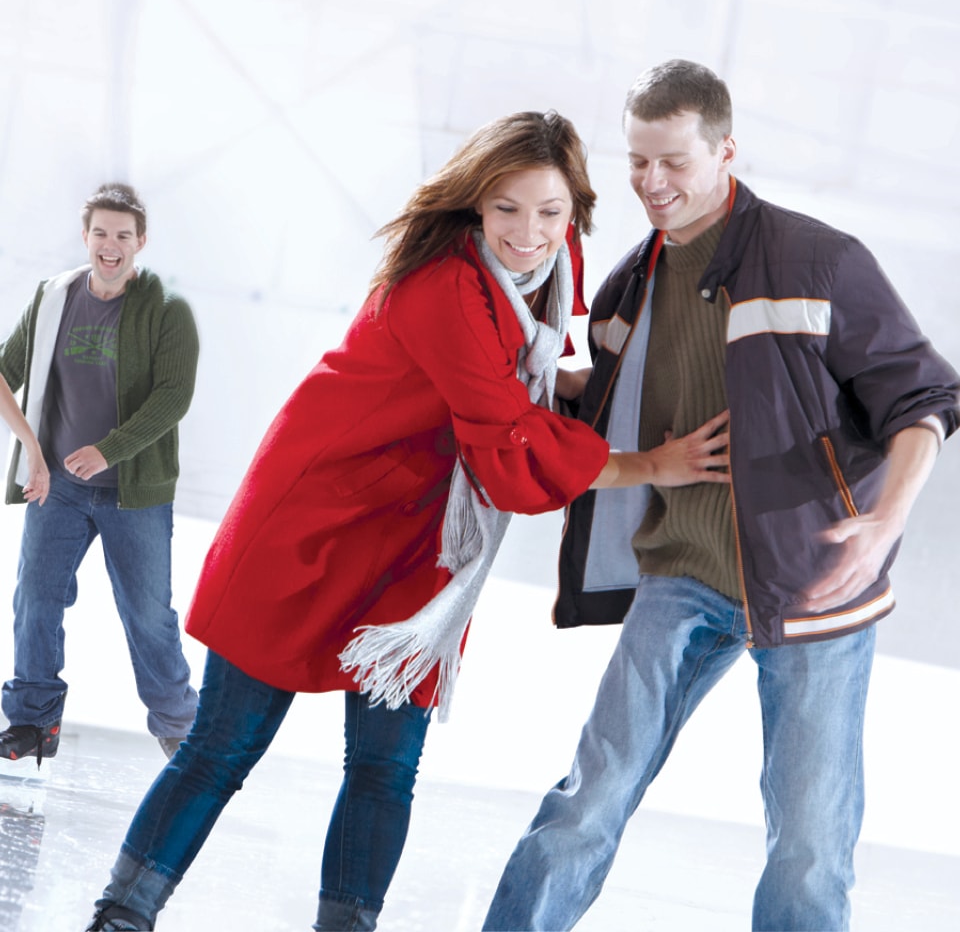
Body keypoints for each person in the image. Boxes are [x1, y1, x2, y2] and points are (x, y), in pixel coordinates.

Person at [83, 110, 731, 932]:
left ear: (575, 211)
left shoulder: (543, 266)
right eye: (505, 210)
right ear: (471, 207)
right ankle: (121, 916)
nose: (528, 233)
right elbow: (507, 435)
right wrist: (648, 465)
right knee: (221, 748)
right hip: (317, 522)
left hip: (419, 546)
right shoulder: (443, 284)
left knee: (387, 770)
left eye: (550, 211)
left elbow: (513, 373)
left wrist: (563, 385)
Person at [482, 60, 960, 932]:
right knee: (592, 796)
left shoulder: (820, 260)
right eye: (637, 161)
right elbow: (618, 389)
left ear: (725, 150)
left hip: (814, 587)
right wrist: (527, 375)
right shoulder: (631, 282)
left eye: (673, 162)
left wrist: (884, 522)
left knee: (810, 845)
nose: (651, 184)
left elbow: (924, 398)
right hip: (685, 571)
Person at [0, 183, 200, 768]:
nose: (110, 246)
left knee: (147, 614)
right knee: (35, 599)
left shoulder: (168, 311)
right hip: (56, 488)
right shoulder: (54, 297)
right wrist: (33, 452)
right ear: (85, 236)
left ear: (141, 241)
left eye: (122, 235)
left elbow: (173, 398)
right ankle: (34, 723)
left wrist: (109, 451)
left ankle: (178, 726)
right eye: (100, 233)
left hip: (132, 494)